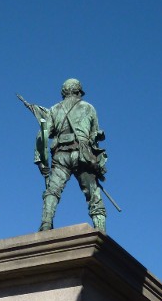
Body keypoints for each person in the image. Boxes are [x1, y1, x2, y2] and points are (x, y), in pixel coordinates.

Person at [35, 79, 108, 233]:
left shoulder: (54, 110)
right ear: (78, 91)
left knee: (52, 191)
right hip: (82, 155)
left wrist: (40, 159)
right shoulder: (88, 107)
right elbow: (94, 135)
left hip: (60, 155)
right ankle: (100, 228)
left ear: (64, 92)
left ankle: (46, 223)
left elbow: (42, 134)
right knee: (93, 192)